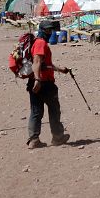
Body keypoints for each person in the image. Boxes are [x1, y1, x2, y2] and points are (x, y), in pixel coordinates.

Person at [27, 21, 71, 149]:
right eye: (47, 30)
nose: (50, 33)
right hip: (44, 83)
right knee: (54, 110)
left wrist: (60, 69)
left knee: (36, 111)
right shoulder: (40, 43)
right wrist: (38, 80)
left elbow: (45, 64)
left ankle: (34, 140)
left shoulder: (36, 42)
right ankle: (58, 137)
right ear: (41, 30)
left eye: (50, 30)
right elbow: (37, 62)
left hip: (36, 82)